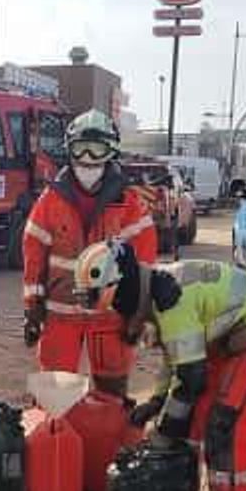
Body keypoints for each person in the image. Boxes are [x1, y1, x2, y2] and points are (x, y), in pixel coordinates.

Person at [73, 240, 246, 491]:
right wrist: (157, 401)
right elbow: (177, 356)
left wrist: (163, 432)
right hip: (229, 340)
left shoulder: (168, 298)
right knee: (192, 425)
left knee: (225, 430)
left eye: (96, 297)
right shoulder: (154, 293)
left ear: (116, 285)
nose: (104, 308)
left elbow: (191, 378)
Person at [21, 109, 157, 398]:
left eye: (97, 149)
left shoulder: (129, 203)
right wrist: (32, 305)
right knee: (54, 394)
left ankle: (108, 427)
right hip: (60, 314)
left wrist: (139, 312)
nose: (87, 158)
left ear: (111, 152)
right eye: (80, 148)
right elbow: (34, 254)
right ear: (69, 150)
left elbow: (145, 262)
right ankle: (57, 429)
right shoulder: (50, 200)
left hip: (110, 316)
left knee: (112, 393)